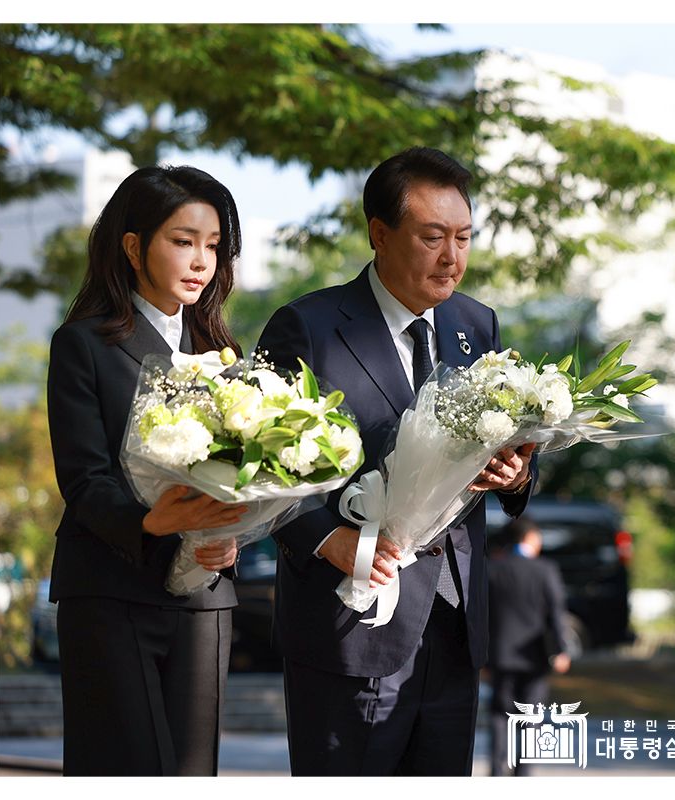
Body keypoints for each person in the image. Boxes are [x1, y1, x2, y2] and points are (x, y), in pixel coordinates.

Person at [256, 147, 535, 776]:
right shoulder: (308, 326)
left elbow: (512, 446)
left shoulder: (477, 324)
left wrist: (515, 474)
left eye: (464, 238)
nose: (452, 257)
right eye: (433, 237)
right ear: (380, 234)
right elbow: (259, 465)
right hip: (350, 617)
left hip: (455, 619)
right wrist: (328, 537)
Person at [47, 165, 248, 775]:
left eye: (213, 246)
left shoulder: (224, 355)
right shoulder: (83, 343)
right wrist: (152, 521)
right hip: (110, 591)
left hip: (204, 600)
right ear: (134, 247)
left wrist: (232, 532)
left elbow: (247, 475)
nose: (201, 261)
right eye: (183, 241)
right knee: (123, 771)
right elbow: (84, 481)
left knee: (191, 777)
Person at [486, 516, 572, 776]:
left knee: (500, 713)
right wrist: (561, 649)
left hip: (500, 654)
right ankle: (522, 772)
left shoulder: (492, 568)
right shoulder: (545, 569)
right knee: (531, 714)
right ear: (530, 538)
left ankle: (497, 770)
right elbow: (556, 614)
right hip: (534, 655)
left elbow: (483, 613)